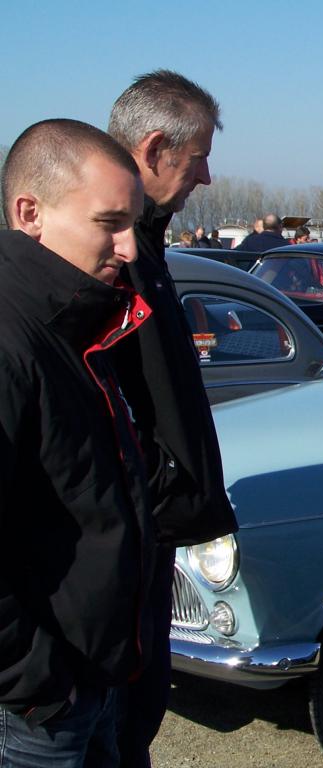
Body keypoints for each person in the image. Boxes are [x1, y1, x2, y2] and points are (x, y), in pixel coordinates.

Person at [0, 118, 158, 766]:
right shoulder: (14, 341)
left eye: (134, 225)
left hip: (92, 679)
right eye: (109, 223)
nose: (129, 248)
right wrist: (38, 683)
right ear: (30, 213)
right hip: (38, 711)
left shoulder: (74, 327)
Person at [108, 69, 238, 766]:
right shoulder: (106, 253)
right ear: (155, 149)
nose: (208, 177)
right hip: (126, 540)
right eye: (197, 159)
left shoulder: (146, 242)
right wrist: (151, 495)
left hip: (150, 535)